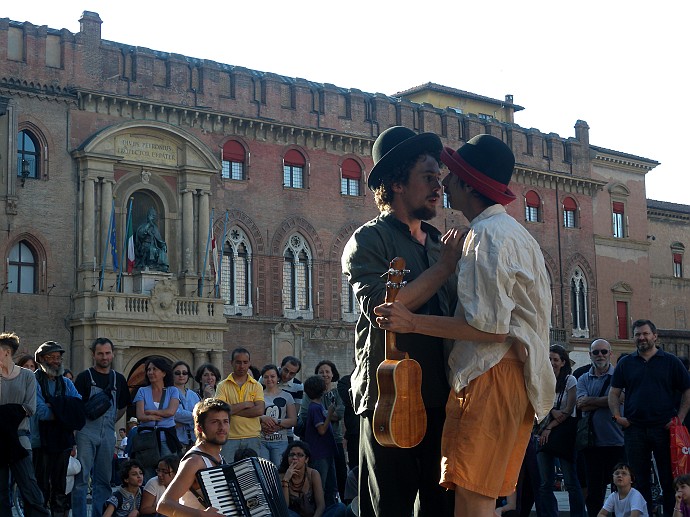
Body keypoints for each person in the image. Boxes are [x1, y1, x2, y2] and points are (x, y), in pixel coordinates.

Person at [374, 134, 555, 516]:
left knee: (472, 501)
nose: (444, 183)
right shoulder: (513, 234)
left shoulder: (486, 237)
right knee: (480, 498)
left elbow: (488, 328)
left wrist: (412, 321)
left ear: (470, 185)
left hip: (490, 374)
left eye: (452, 176)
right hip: (506, 376)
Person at [341, 125, 460, 517]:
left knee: (440, 507)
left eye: (439, 179)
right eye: (427, 178)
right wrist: (444, 269)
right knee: (389, 508)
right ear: (395, 183)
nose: (437, 187)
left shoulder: (440, 242)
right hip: (388, 399)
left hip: (440, 397)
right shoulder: (368, 240)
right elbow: (384, 310)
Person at [609, 319, 690, 516]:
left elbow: (687, 391)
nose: (641, 337)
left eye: (645, 334)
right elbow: (614, 392)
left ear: (655, 336)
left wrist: (679, 418)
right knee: (638, 480)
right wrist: (617, 417)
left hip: (664, 429)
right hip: (634, 429)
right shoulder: (626, 363)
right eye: (637, 334)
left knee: (669, 478)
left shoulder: (671, 361)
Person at [72, 337, 131, 517]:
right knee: (81, 479)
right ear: (93, 355)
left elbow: (123, 406)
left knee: (103, 480)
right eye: (100, 354)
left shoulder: (118, 379)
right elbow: (75, 407)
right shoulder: (84, 377)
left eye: (107, 353)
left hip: (107, 433)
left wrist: (110, 421)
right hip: (85, 432)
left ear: (112, 354)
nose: (104, 357)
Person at [0, 332, 50, 517]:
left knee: (29, 487)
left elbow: (30, 407)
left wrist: (5, 412)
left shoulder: (28, 376)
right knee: (0, 492)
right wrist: (15, 410)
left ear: (6, 352)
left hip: (20, 437)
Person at [33, 341, 85, 517]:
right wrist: (64, 410)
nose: (56, 361)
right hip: (40, 441)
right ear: (41, 359)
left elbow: (78, 408)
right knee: (41, 485)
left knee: (60, 486)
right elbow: (40, 411)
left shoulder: (66, 383)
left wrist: (54, 406)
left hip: (62, 442)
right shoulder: (34, 380)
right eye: (51, 357)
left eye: (58, 357)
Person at [156, 398, 231, 516]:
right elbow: (164, 504)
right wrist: (202, 515)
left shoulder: (220, 459)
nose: (222, 427)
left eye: (225, 421)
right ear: (200, 427)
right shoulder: (194, 461)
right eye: (215, 422)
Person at [576, 338, 625, 517]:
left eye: (604, 351)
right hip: (592, 443)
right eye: (596, 352)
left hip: (617, 442)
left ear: (610, 354)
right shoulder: (582, 378)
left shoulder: (619, 375)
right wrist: (610, 399)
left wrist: (591, 401)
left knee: (619, 488)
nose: (600, 355)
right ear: (590, 355)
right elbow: (581, 404)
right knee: (594, 491)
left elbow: (622, 399)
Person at [535, 345, 585, 517]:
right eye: (549, 359)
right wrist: (550, 413)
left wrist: (550, 426)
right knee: (545, 482)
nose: (552, 362)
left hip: (563, 433)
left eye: (556, 359)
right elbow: (538, 406)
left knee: (570, 481)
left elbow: (569, 410)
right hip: (543, 433)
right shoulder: (541, 380)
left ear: (563, 362)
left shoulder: (570, 380)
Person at [299, 360, 346, 500]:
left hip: (331, 443)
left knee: (336, 478)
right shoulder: (315, 406)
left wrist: (328, 414)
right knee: (321, 481)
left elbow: (341, 413)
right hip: (319, 448)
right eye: (321, 372)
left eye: (327, 372)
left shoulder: (335, 394)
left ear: (333, 374)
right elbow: (308, 418)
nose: (324, 375)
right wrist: (330, 413)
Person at [132, 356, 182, 480]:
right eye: (149, 370)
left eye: (154, 369)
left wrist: (151, 412)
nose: (151, 372)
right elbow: (140, 416)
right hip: (147, 440)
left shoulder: (173, 391)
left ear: (164, 373)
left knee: (169, 474)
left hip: (167, 439)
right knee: (148, 475)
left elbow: (171, 411)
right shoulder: (142, 391)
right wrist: (153, 416)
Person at [216, 348, 264, 460]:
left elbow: (259, 410)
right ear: (231, 363)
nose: (242, 366)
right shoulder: (222, 386)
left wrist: (232, 410)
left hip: (252, 436)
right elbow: (221, 411)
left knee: (252, 475)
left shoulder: (256, 385)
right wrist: (246, 404)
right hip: (229, 437)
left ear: (249, 363)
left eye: (245, 362)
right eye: (238, 362)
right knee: (229, 473)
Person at [279, 440, 347, 517]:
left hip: (313, 515)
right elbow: (284, 508)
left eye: (299, 455)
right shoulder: (282, 476)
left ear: (306, 459)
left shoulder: (313, 474)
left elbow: (321, 505)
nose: (294, 458)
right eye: (291, 455)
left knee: (340, 507)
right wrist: (286, 480)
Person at [302, 375, 339, 507]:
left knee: (331, 486)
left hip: (326, 452)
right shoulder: (315, 408)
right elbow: (321, 430)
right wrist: (329, 413)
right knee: (321, 486)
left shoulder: (318, 406)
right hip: (319, 453)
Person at [259, 364, 296, 465]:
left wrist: (277, 423)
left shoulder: (287, 396)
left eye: (272, 376)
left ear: (278, 378)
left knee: (279, 471)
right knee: (264, 471)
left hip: (280, 441)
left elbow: (293, 420)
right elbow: (252, 415)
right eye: (266, 377)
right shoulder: (257, 396)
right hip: (261, 441)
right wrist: (262, 419)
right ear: (262, 379)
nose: (269, 379)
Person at [171, 361, 201, 452]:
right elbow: (175, 414)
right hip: (176, 441)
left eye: (184, 373)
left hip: (194, 442)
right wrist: (195, 417)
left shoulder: (194, 395)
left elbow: (201, 413)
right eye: (177, 373)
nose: (181, 375)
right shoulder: (169, 392)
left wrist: (183, 421)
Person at [135, 207, 169, 272]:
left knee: (161, 251)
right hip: (144, 246)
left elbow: (159, 240)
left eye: (154, 216)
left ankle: (162, 266)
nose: (153, 217)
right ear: (148, 216)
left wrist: (163, 245)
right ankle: (148, 264)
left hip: (154, 246)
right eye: (152, 215)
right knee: (152, 250)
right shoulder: (143, 226)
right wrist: (148, 225)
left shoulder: (155, 228)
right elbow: (140, 235)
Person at [278, 356, 303, 442]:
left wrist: (278, 425)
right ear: (281, 366)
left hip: (285, 430)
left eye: (292, 373)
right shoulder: (268, 377)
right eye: (285, 370)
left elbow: (294, 414)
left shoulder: (298, 386)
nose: (287, 375)